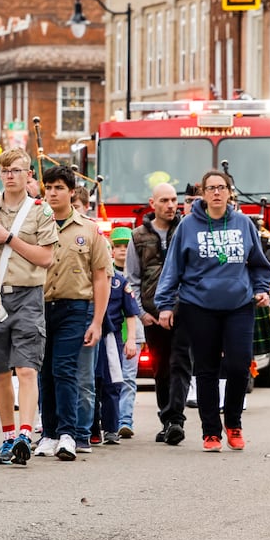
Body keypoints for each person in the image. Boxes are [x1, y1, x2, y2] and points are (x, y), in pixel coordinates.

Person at [154, 169, 270, 453]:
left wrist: (261, 288)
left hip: (239, 306)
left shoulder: (244, 224)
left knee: (238, 364)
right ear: (203, 193)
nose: (217, 193)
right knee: (205, 369)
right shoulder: (187, 226)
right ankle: (211, 432)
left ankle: (233, 423)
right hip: (199, 306)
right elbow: (173, 268)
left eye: (222, 187)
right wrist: (165, 304)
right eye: (211, 188)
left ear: (230, 192)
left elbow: (259, 262)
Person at [0, 149, 57, 465]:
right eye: (5, 171)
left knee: (27, 367)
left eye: (17, 170)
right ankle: (7, 437)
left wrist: (9, 238)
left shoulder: (39, 212)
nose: (10, 176)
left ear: (29, 174)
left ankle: (25, 434)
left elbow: (45, 257)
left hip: (27, 295)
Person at [34, 165, 111, 460]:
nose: (52, 193)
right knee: (44, 372)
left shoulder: (88, 229)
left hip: (74, 307)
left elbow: (100, 276)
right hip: (39, 306)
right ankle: (48, 434)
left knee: (65, 369)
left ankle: (68, 432)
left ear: (71, 191)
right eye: (49, 187)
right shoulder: (35, 224)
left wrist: (97, 321)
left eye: (59, 188)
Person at [125, 181, 192, 445]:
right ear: (153, 204)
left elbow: (191, 272)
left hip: (183, 313)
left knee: (181, 365)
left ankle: (176, 419)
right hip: (152, 316)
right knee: (161, 369)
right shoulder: (137, 236)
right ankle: (167, 420)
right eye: (164, 200)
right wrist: (142, 313)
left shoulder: (186, 231)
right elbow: (132, 278)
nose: (170, 205)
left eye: (174, 200)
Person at [98, 229, 142, 445]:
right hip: (89, 337)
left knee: (115, 382)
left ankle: (113, 427)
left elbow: (131, 313)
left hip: (112, 338)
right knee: (90, 384)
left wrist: (132, 340)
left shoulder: (119, 281)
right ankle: (90, 427)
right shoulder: (88, 279)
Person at [110, 225, 143, 438]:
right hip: (111, 334)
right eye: (118, 246)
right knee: (109, 380)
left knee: (128, 378)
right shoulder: (104, 272)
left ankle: (125, 420)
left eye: (127, 245)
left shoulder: (136, 274)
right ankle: (110, 420)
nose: (123, 250)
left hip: (133, 334)